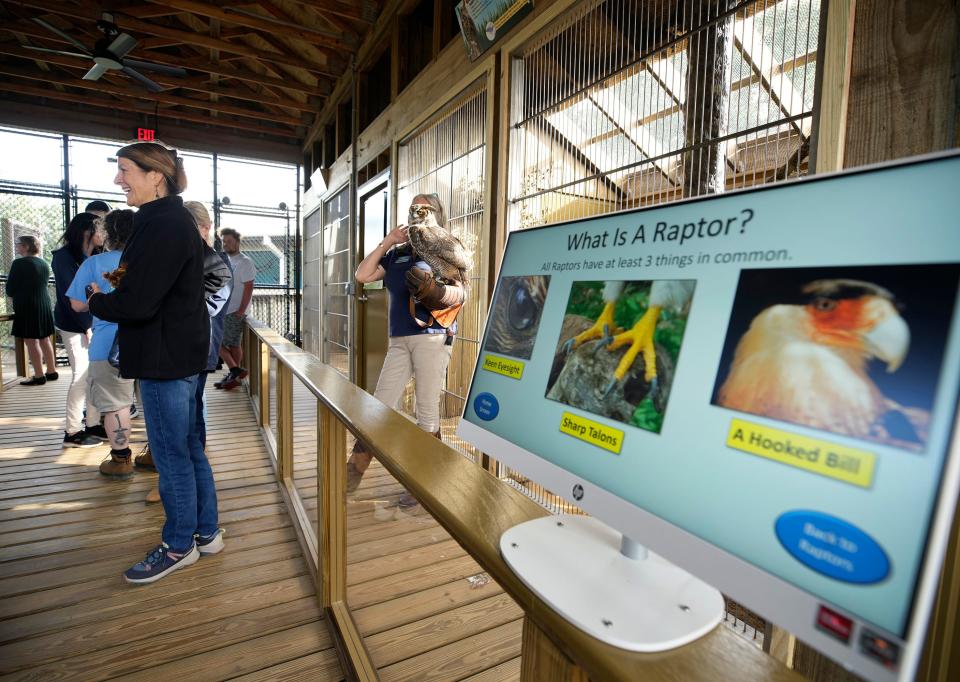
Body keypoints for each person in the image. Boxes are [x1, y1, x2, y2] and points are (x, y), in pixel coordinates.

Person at [87, 141, 222, 584]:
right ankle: (205, 532)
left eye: (125, 170)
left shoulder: (162, 224)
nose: (117, 180)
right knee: (186, 447)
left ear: (155, 176)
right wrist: (115, 295)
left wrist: (101, 303)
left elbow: (139, 301)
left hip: (165, 358)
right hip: (180, 354)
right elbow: (144, 285)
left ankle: (178, 544)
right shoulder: (169, 221)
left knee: (171, 454)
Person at [349, 194, 466, 509]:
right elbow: (362, 275)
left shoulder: (444, 246)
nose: (418, 212)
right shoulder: (399, 252)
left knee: (426, 411)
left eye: (424, 207)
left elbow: (461, 291)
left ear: (436, 213)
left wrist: (438, 291)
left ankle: (420, 486)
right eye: (414, 207)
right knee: (379, 405)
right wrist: (388, 240)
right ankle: (350, 478)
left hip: (432, 335)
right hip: (399, 338)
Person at [139, 201, 232, 504]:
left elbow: (200, 306)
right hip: (189, 349)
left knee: (186, 425)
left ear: (204, 229)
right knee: (189, 420)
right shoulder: (199, 259)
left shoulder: (213, 262)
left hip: (193, 349)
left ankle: (181, 484)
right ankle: (185, 483)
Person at [66, 210, 137, 479]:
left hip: (108, 344)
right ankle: (154, 452)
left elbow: (76, 303)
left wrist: (97, 296)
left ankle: (121, 459)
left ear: (106, 233)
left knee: (116, 403)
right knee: (153, 401)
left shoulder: (93, 264)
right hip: (150, 339)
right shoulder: (147, 260)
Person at [52, 212, 107, 447]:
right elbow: (70, 298)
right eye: (100, 230)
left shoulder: (95, 255)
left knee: (94, 374)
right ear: (88, 232)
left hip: (94, 323)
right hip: (74, 324)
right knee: (81, 374)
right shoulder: (63, 257)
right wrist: (86, 327)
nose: (103, 235)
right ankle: (72, 431)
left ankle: (93, 424)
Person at [6, 235, 57, 385]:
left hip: (27, 305)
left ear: (26, 246)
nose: (16, 246)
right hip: (44, 303)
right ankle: (51, 371)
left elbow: (10, 289)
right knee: (45, 338)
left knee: (31, 340)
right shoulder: (43, 263)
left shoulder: (19, 263)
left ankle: (39, 375)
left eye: (18, 244)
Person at [215, 227, 255, 391]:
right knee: (232, 344)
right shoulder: (226, 260)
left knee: (216, 342)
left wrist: (241, 310)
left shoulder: (245, 262)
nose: (225, 244)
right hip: (224, 309)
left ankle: (234, 370)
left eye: (229, 241)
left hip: (235, 311)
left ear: (237, 242)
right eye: (224, 241)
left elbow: (248, 287)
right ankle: (235, 374)